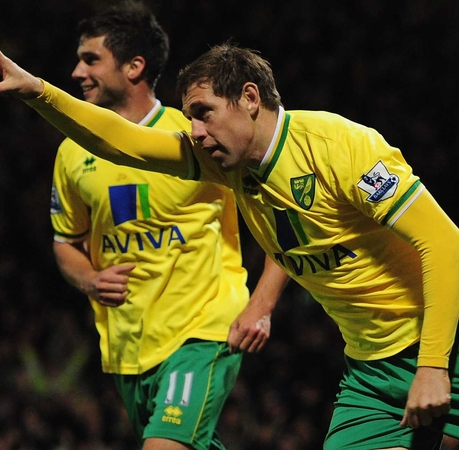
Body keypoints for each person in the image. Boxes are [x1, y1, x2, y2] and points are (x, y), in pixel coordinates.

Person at [0, 34, 459, 449]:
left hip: (456, 340)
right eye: (189, 117)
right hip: (371, 369)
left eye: (204, 113)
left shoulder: (339, 145)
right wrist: (39, 93)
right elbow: (121, 142)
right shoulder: (221, 165)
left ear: (250, 98)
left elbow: (446, 243)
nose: (195, 132)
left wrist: (435, 366)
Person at [41, 5, 288, 450]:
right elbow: (65, 243)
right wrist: (91, 279)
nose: (77, 71)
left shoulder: (197, 136)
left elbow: (282, 218)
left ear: (134, 66)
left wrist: (261, 304)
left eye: (91, 59)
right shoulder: (72, 153)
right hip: (127, 350)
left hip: (204, 331)